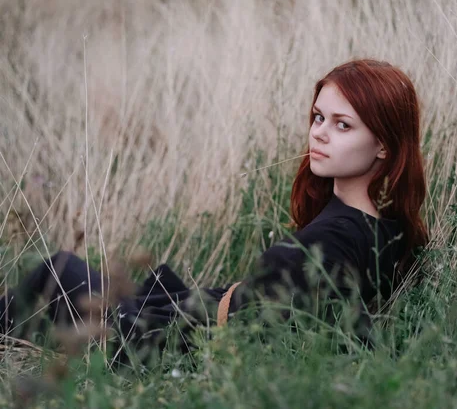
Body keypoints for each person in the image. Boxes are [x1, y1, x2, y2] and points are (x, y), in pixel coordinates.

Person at [0, 59, 429, 367]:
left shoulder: (332, 239)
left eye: (343, 124)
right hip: (189, 315)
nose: (319, 132)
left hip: (173, 335)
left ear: (384, 146)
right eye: (318, 116)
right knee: (60, 276)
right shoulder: (388, 232)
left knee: (55, 273)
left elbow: (272, 335)